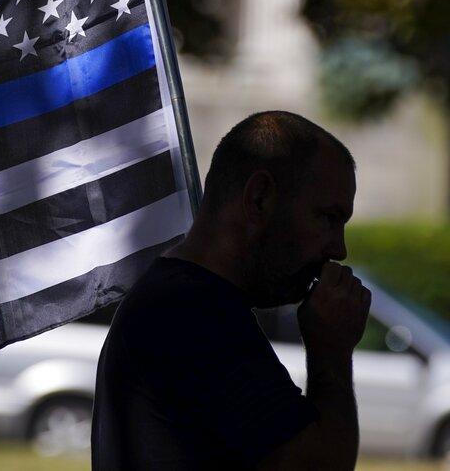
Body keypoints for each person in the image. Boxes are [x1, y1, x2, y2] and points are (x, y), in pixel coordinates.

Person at [92, 110, 370, 470]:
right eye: (328, 218)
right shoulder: (193, 316)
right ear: (259, 198)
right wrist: (330, 352)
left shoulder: (185, 301)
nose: (338, 249)